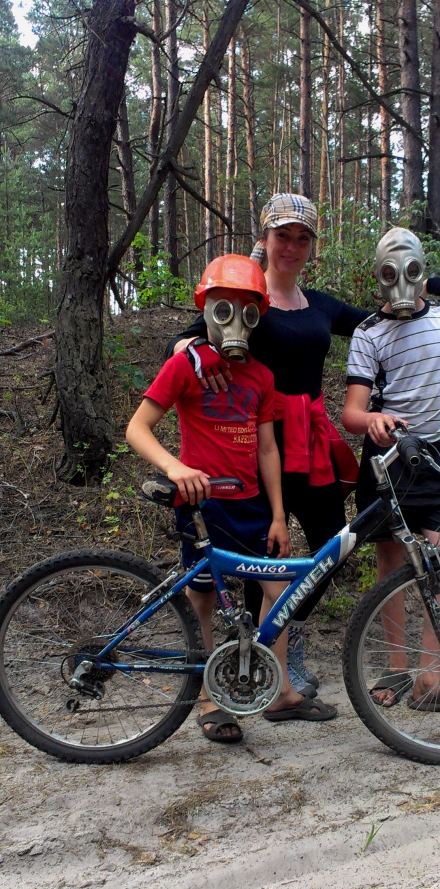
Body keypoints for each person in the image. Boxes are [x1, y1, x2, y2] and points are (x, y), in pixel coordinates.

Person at [167, 195, 440, 698]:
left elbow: (385, 313)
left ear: (312, 246)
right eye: (282, 236)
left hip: (308, 446)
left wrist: (431, 282)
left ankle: (284, 639)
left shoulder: (321, 305)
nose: (291, 247)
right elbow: (188, 338)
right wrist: (190, 347)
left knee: (333, 547)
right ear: (265, 239)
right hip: (257, 445)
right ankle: (257, 662)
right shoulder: (246, 298)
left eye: (302, 238)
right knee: (264, 557)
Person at [126, 254, 337, 743]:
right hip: (203, 507)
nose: (235, 322)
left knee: (279, 594)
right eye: (223, 310)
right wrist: (176, 469)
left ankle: (280, 692)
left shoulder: (261, 376)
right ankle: (207, 697)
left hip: (252, 505)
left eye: (248, 312)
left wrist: (279, 514)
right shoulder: (187, 366)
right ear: (206, 309)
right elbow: (138, 428)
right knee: (201, 599)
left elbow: (267, 448)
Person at [342, 227, 440, 715]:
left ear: (421, 270)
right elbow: (351, 413)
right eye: (390, 272)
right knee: (390, 562)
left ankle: (430, 678)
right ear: (379, 276)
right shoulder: (368, 333)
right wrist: (374, 421)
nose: (402, 282)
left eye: (410, 270)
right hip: (387, 462)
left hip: (438, 458)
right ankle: (396, 667)